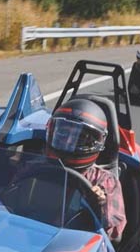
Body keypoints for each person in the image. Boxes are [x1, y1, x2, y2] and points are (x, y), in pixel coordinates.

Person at [45, 99, 126, 241]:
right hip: (31, 236)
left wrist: (100, 206)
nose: (68, 143)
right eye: (63, 134)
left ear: (96, 143)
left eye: (80, 138)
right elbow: (8, 201)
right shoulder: (37, 166)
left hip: (76, 245)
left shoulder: (104, 181)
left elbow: (115, 235)